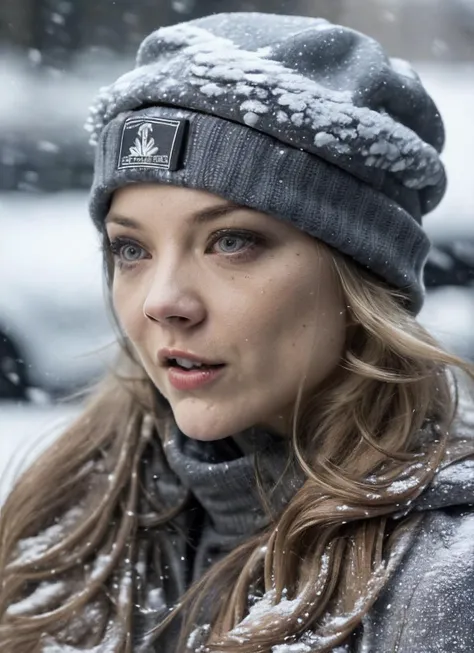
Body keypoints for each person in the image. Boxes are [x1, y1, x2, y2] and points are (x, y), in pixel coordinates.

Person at [1, 12, 474, 653]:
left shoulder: (446, 582)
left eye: (230, 242)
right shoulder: (68, 512)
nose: (163, 302)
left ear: (360, 271)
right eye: (131, 250)